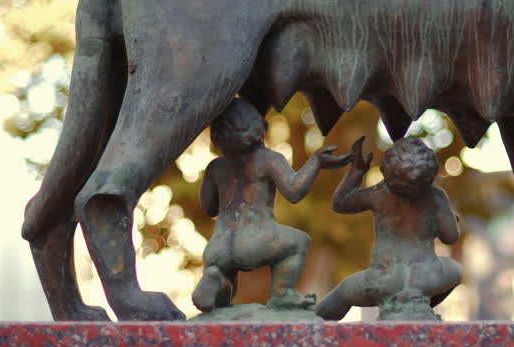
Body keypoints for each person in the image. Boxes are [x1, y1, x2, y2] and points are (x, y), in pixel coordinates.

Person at [192, 99, 351, 313]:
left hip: (218, 246)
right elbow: (294, 191)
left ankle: (215, 279)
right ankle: (282, 294)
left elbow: (208, 207)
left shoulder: (215, 167)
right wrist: (316, 162)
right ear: (258, 127)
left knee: (225, 292)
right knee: (298, 241)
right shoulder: (268, 160)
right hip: (255, 240)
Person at [315, 136, 462, 321]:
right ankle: (415, 303)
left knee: (344, 293)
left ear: (388, 171)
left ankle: (312, 325)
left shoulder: (380, 194)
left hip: (381, 279)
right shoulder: (437, 197)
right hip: (426, 278)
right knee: (455, 270)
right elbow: (451, 237)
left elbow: (340, 203)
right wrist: (451, 219)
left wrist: (357, 172)